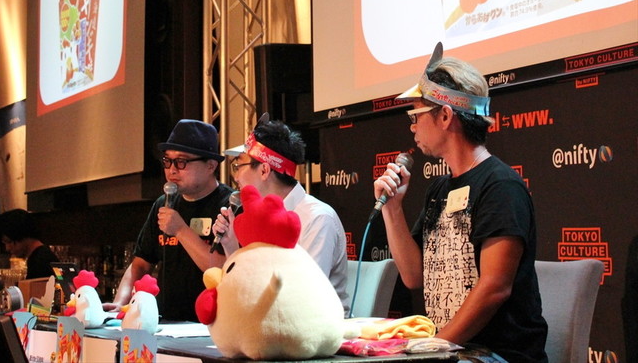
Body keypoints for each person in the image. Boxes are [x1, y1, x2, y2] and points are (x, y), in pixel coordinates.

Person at [372, 42, 548, 362]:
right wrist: (392, 208)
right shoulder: (439, 189)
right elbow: (413, 276)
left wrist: (434, 346)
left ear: (444, 116)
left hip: (497, 355)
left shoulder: (500, 186)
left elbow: (494, 287)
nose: (412, 127)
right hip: (454, 352)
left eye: (415, 115)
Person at [212, 114, 351, 316]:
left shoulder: (317, 218)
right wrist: (231, 245)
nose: (235, 177)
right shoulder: (258, 217)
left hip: (314, 328)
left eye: (238, 166)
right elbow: (250, 286)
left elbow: (304, 295)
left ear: (264, 170)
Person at [103, 119, 233, 322]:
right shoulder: (164, 204)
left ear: (210, 165)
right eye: (167, 161)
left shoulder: (229, 206)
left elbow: (224, 270)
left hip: (212, 325)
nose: (172, 170)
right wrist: (121, 302)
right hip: (167, 323)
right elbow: (140, 263)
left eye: (181, 162)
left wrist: (181, 230)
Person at [0, 208, 59, 279]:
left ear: (20, 234)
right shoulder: (42, 256)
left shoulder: (40, 262)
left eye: (9, 242)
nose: (7, 248)